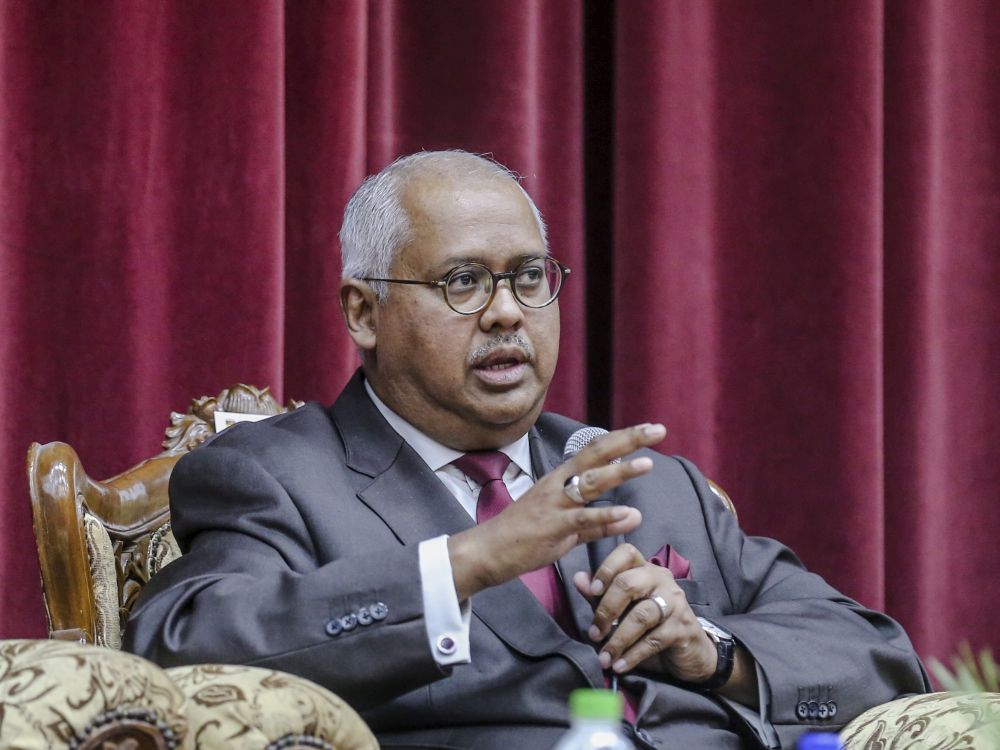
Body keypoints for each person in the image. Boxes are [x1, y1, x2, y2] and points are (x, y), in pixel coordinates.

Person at [126, 150, 928, 749]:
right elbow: (179, 651)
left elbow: (882, 659)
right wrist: (468, 561)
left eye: (530, 277)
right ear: (363, 312)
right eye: (464, 282)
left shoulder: (648, 483)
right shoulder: (279, 477)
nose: (508, 312)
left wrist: (708, 652)